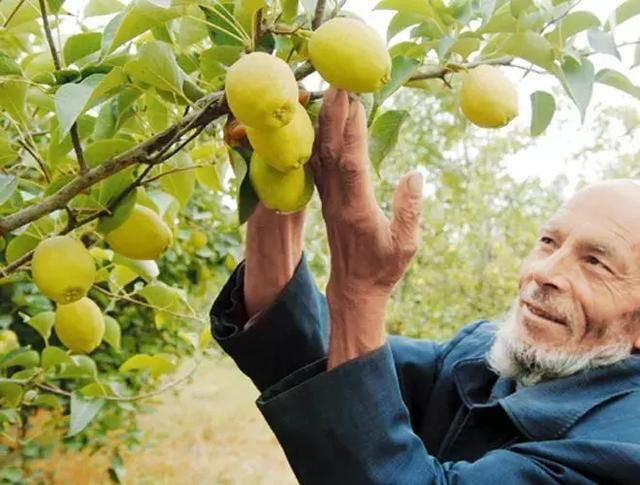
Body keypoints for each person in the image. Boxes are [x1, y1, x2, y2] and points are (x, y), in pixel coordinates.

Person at [209, 88, 640, 484]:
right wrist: (276, 167)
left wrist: (359, 291)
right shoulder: (479, 356)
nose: (544, 272)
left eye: (596, 263)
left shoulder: (625, 447)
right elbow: (310, 354)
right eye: (549, 241)